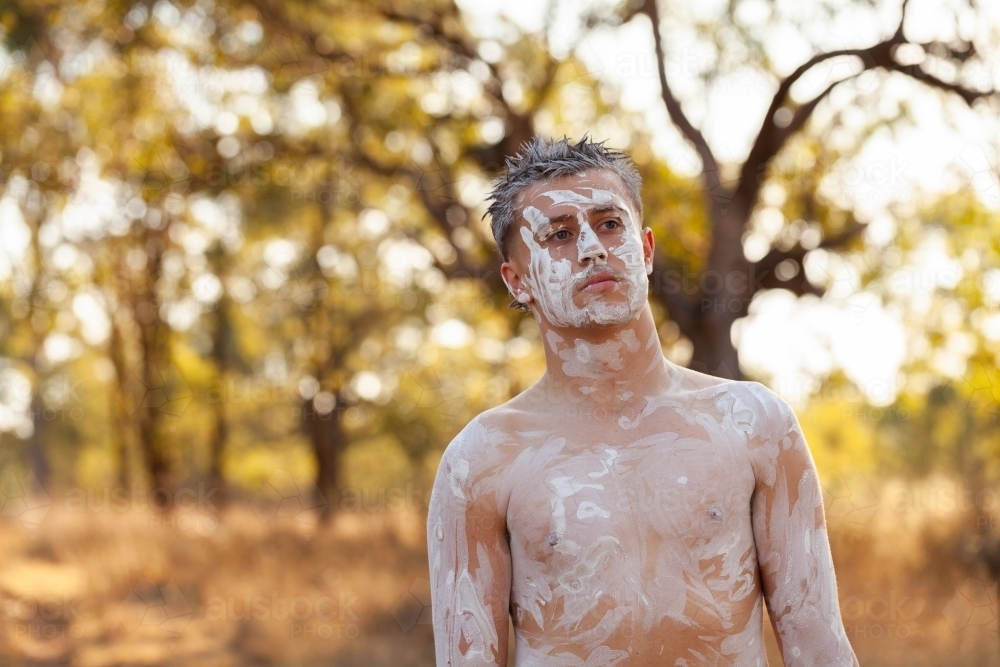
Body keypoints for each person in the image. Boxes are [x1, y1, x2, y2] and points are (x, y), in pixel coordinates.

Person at [426, 136, 859, 667]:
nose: (591, 248)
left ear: (646, 249)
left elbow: (818, 645)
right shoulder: (482, 460)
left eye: (610, 224)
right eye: (559, 235)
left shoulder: (753, 424)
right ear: (517, 281)